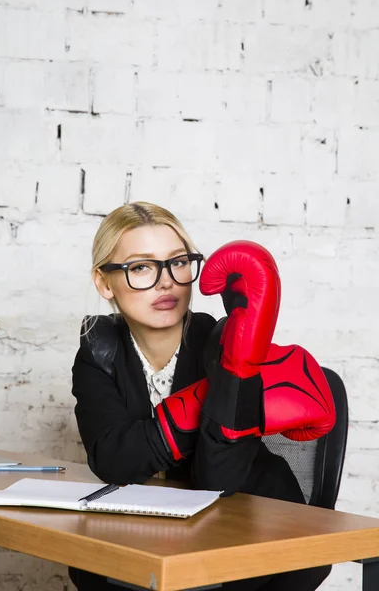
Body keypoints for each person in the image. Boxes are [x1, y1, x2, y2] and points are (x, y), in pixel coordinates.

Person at [70, 201, 334, 591]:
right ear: (104, 282)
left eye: (178, 262)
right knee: (90, 567)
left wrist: (236, 372)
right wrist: (201, 402)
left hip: (260, 538)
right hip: (161, 538)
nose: (165, 282)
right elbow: (113, 460)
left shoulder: (223, 342)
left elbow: (217, 479)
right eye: (141, 267)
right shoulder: (99, 351)